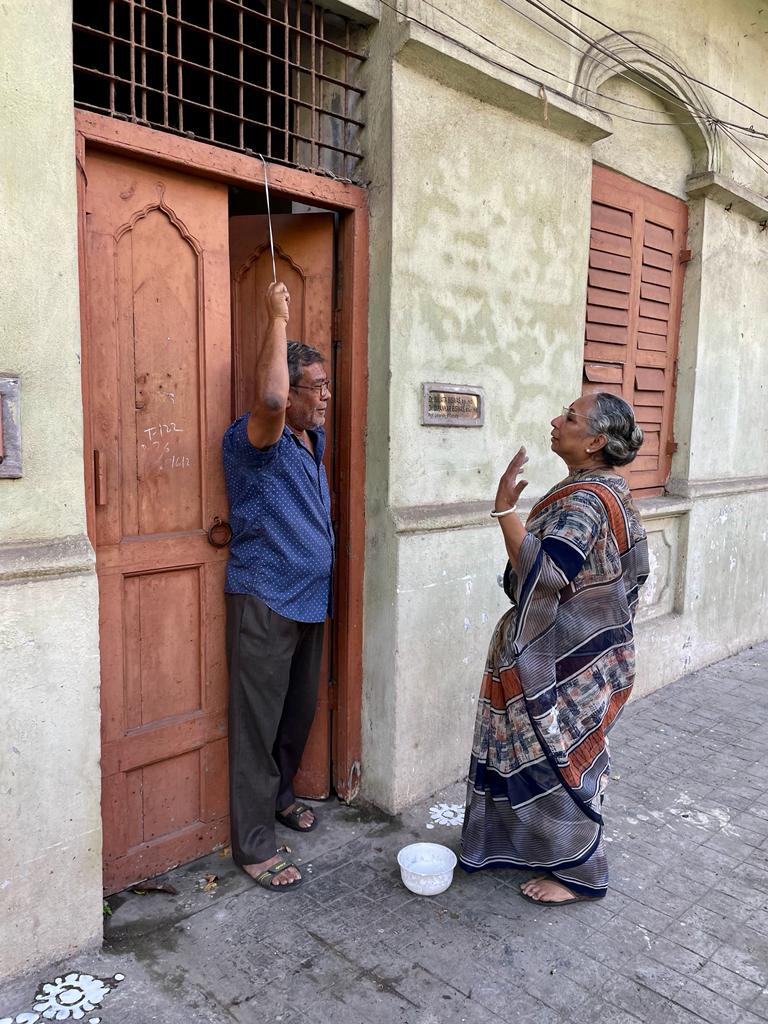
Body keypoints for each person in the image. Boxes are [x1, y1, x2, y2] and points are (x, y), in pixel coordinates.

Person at [459, 392, 649, 904]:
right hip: (577, 656)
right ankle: (526, 847)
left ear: (594, 442)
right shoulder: (598, 490)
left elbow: (547, 573)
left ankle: (580, 875)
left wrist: (505, 511)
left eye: (569, 417)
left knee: (555, 758)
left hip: (563, 664)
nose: (554, 421)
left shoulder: (587, 501)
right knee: (534, 756)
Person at [222, 281, 334, 892]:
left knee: (296, 715)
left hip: (311, 600)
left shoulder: (311, 439)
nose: (324, 396)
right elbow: (266, 396)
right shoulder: (254, 439)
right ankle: (254, 845)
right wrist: (277, 317)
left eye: (324, 384)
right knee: (256, 726)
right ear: (286, 394)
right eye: (312, 387)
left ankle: (283, 795)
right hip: (264, 598)